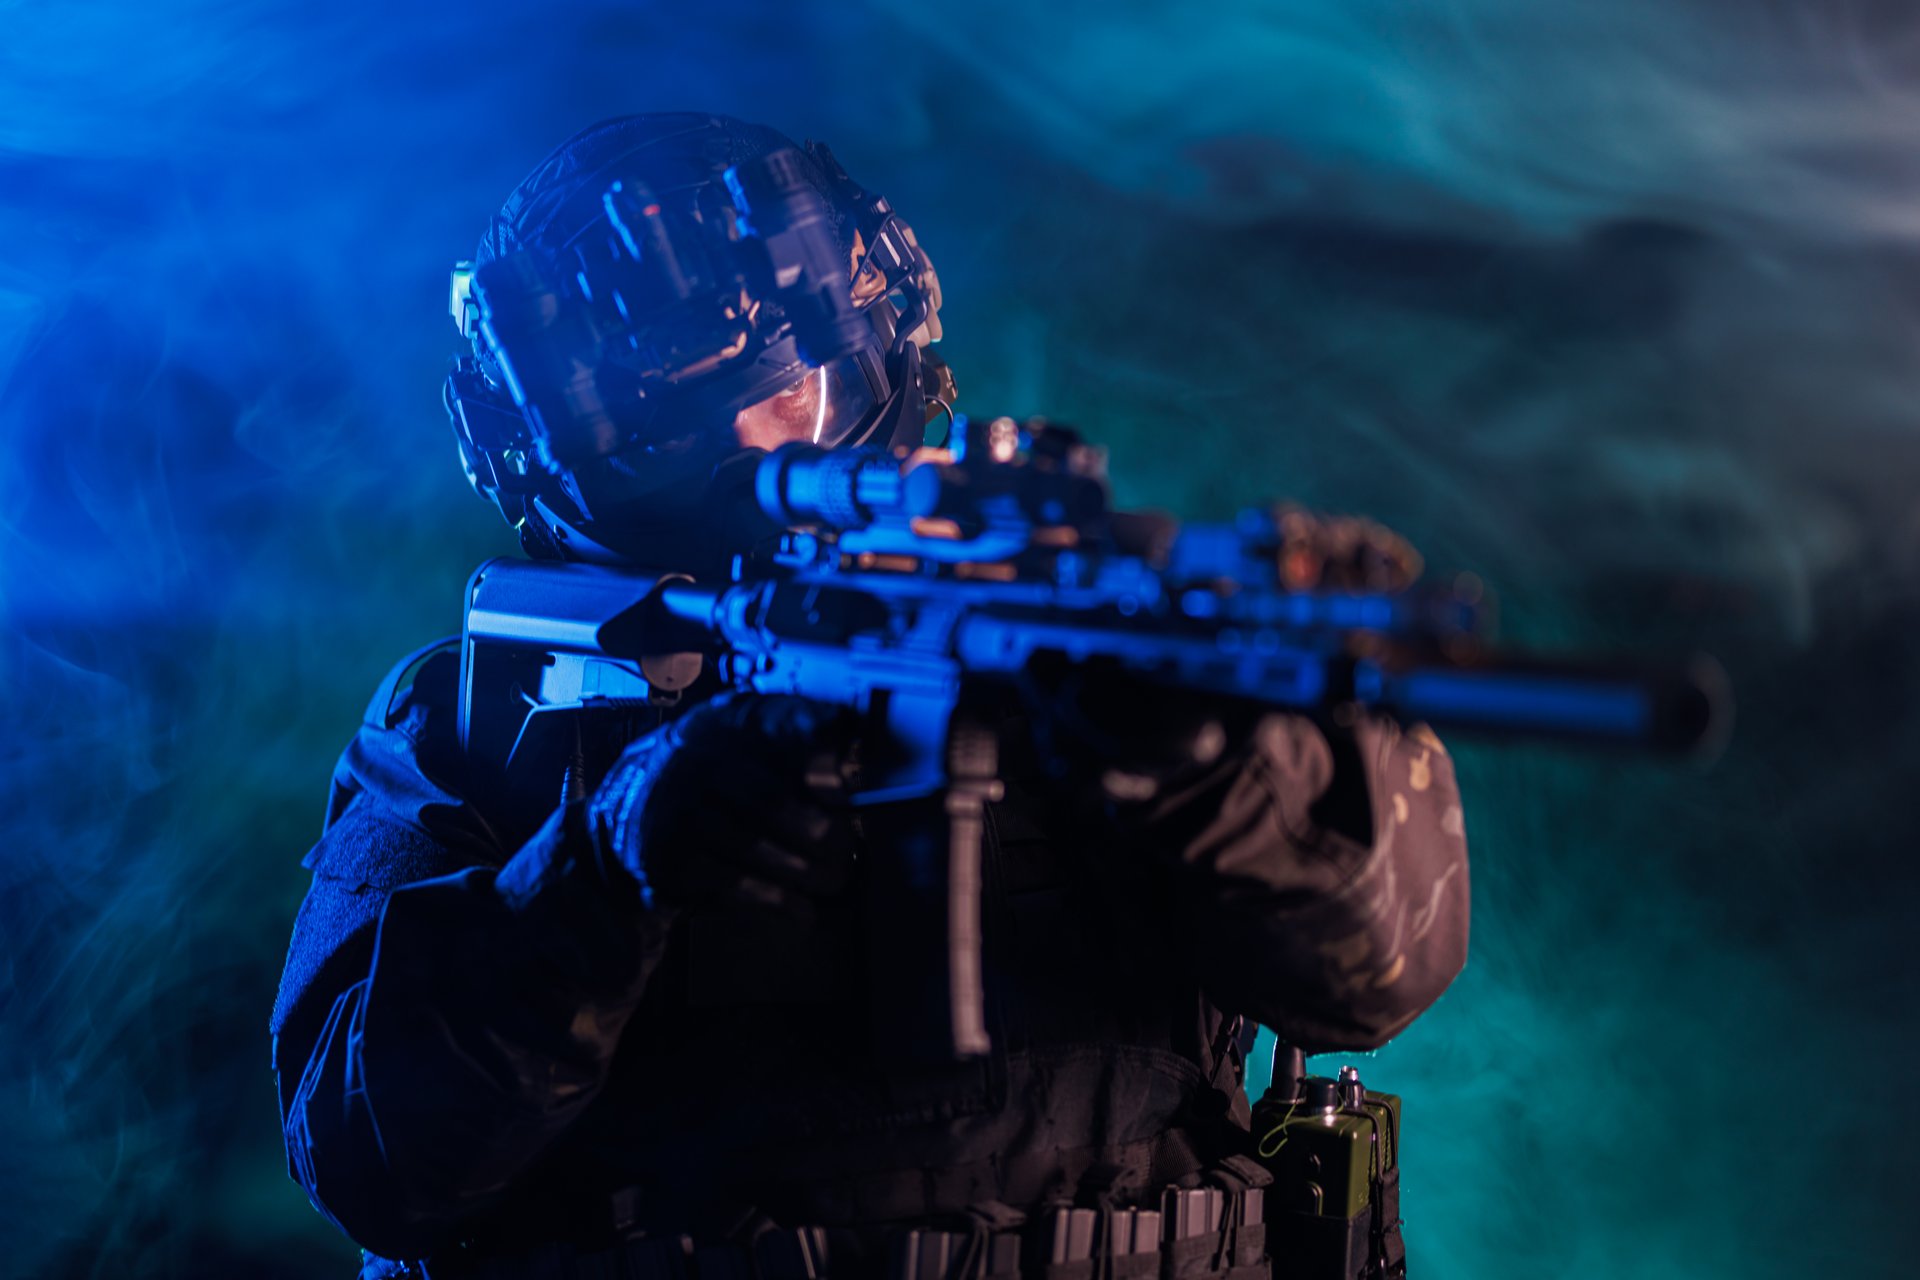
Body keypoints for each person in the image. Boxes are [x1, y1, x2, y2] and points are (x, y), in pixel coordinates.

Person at [269, 113, 1471, 1280]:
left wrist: (1217, 771)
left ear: (882, 345)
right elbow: (367, 1159)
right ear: (563, 448)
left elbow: (1380, 972)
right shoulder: (475, 726)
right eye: (679, 427)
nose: (765, 445)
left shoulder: (1096, 631)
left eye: (801, 387)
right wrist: (599, 873)